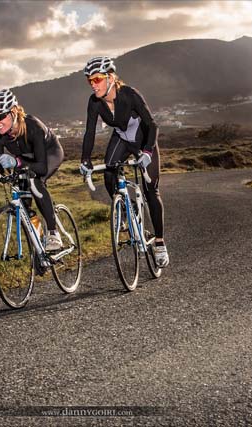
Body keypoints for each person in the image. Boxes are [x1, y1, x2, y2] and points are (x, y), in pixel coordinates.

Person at [79, 56, 169, 268]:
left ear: (110, 77)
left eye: (98, 79)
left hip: (142, 140)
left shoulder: (129, 94)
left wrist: (147, 151)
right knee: (109, 172)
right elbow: (89, 132)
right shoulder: (94, 103)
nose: (93, 84)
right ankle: (125, 212)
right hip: (121, 138)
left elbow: (152, 125)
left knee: (151, 191)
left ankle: (159, 243)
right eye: (89, 81)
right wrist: (85, 160)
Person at [0, 88, 64, 251]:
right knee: (23, 204)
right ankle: (38, 247)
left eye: (0, 116)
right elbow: (1, 171)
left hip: (49, 154)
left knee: (35, 181)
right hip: (25, 160)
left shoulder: (33, 125)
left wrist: (16, 162)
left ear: (13, 112)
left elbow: (41, 167)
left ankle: (53, 233)